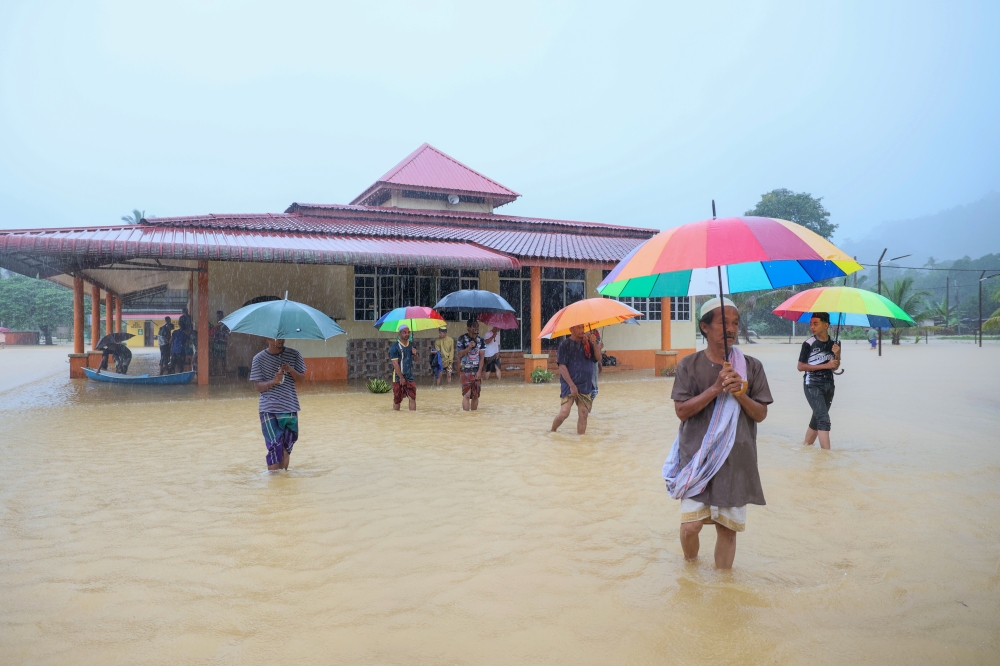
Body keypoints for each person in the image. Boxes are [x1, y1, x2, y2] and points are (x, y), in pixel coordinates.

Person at [665, 297, 772, 569]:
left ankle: (723, 589)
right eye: (723, 322)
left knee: (727, 529)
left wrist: (741, 393)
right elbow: (681, 411)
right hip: (696, 458)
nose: (731, 329)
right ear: (704, 327)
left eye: (735, 322)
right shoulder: (688, 365)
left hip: (736, 458)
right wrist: (715, 389)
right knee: (691, 526)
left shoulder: (751, 367)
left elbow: (760, 414)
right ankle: (690, 569)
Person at [249, 337, 307, 471]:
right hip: (269, 409)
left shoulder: (294, 354)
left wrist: (291, 370)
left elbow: (302, 379)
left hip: (290, 407)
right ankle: (274, 486)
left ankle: (282, 484)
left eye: (281, 337)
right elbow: (258, 386)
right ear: (266, 338)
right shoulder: (258, 359)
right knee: (275, 448)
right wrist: (274, 381)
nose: (279, 340)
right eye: (275, 338)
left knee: (286, 449)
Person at [798, 312, 841, 450]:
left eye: (815, 323)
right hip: (812, 384)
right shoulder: (808, 344)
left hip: (829, 385)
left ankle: (805, 447)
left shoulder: (835, 343)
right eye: (811, 324)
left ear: (826, 325)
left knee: (817, 418)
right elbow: (800, 366)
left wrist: (838, 354)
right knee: (823, 419)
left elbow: (836, 365)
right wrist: (825, 366)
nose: (812, 327)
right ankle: (827, 456)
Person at [551, 325, 601, 434]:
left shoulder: (587, 344)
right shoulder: (565, 345)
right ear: (571, 330)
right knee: (564, 412)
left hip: (585, 384)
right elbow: (562, 367)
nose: (582, 330)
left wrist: (594, 344)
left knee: (584, 414)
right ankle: (552, 430)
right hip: (569, 384)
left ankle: (581, 441)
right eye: (578, 328)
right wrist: (572, 385)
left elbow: (598, 358)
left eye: (582, 327)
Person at [455, 318, 485, 411]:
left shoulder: (481, 340)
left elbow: (482, 357)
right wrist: (468, 347)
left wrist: (480, 371)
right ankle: (466, 417)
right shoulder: (462, 339)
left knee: (475, 395)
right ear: (468, 328)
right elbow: (459, 354)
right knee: (466, 395)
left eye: (477, 326)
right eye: (474, 326)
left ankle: (473, 417)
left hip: (476, 371)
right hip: (465, 370)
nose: (476, 328)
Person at [389, 324, 418, 411]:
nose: (407, 334)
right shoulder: (394, 347)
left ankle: (412, 419)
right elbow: (395, 364)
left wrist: (415, 354)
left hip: (409, 375)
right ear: (399, 333)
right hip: (398, 376)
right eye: (404, 332)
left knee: (412, 397)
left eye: (408, 332)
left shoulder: (412, 345)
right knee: (397, 399)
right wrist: (401, 377)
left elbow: (415, 360)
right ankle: (396, 419)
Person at [210, 311, 229, 376]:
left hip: (222, 343)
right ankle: (214, 371)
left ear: (222, 316)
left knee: (223, 358)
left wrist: (221, 333)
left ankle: (224, 372)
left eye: (219, 316)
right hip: (216, 343)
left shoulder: (226, 325)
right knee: (215, 358)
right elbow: (212, 334)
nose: (218, 318)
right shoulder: (215, 325)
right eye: (217, 316)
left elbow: (228, 334)